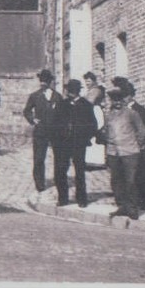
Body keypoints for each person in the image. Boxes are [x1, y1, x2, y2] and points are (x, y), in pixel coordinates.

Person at [102, 82, 145, 217]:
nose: (117, 102)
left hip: (130, 152)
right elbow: (106, 132)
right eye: (114, 99)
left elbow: (142, 132)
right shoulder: (109, 115)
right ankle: (121, 206)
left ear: (123, 99)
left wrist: (136, 146)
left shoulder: (132, 114)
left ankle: (132, 208)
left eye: (119, 99)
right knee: (116, 181)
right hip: (113, 152)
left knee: (131, 181)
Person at [53, 79, 99, 207]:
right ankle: (63, 198)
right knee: (61, 170)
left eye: (73, 91)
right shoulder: (61, 105)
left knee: (79, 171)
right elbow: (54, 123)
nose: (70, 93)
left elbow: (93, 125)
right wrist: (57, 138)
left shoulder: (86, 105)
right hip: (63, 143)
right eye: (69, 91)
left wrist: (85, 138)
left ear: (78, 91)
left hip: (78, 143)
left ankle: (81, 199)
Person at [22, 70, 62, 195]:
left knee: (59, 158)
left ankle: (59, 180)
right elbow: (27, 110)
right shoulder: (35, 96)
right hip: (40, 131)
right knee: (39, 158)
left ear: (50, 82)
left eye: (46, 80)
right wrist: (33, 119)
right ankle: (39, 183)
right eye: (42, 80)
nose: (43, 83)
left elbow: (63, 113)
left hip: (55, 131)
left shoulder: (57, 96)